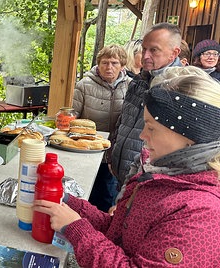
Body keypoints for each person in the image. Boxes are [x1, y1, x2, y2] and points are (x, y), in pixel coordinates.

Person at [33, 71, 220, 267]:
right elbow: (118, 232)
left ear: (190, 136)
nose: (142, 135)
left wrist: (76, 228)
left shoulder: (200, 213)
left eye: (151, 127)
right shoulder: (162, 177)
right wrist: (70, 204)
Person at [110, 22, 182, 188]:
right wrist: (112, 153)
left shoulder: (181, 88)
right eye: (144, 49)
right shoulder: (138, 81)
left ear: (174, 53)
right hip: (122, 171)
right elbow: (123, 120)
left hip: (149, 179)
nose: (145, 56)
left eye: (154, 50)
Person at [72, 44, 131, 212]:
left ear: (122, 66)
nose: (109, 67)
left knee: (107, 194)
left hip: (114, 152)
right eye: (105, 62)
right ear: (98, 63)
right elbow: (72, 117)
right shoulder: (84, 85)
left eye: (114, 63)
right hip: (87, 149)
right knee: (84, 192)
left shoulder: (131, 86)